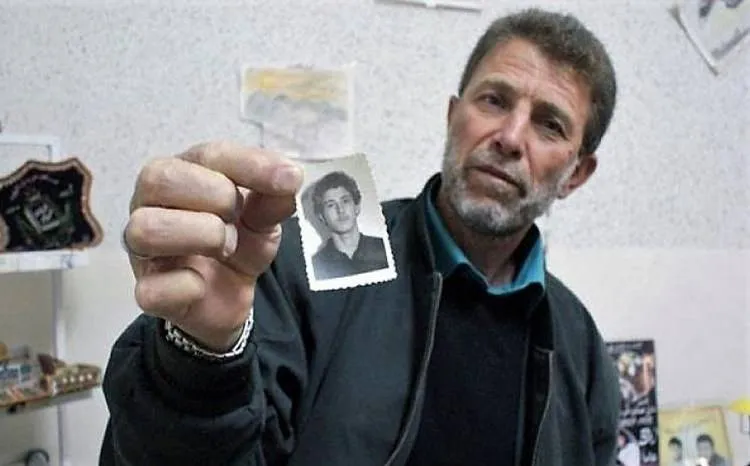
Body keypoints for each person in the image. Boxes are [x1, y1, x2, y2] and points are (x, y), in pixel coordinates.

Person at [102, 7, 621, 466]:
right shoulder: (322, 246)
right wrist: (197, 357)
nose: (509, 137)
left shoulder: (577, 340)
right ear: (452, 116)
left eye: (549, 125)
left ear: (576, 174)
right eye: (493, 100)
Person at [308, 170, 389, 279]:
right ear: (321, 216)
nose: (340, 210)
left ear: (357, 207)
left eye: (345, 201)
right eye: (331, 205)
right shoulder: (315, 265)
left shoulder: (385, 248)